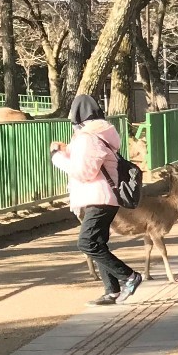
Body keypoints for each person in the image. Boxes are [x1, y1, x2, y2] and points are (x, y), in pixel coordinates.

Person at [51, 92, 140, 306]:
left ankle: (129, 276)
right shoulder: (99, 134)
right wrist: (66, 150)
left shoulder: (88, 137)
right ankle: (112, 291)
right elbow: (87, 159)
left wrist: (57, 158)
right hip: (104, 197)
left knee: (87, 242)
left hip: (98, 197)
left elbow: (84, 172)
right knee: (98, 243)